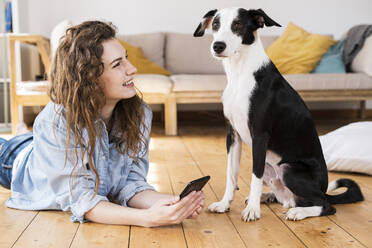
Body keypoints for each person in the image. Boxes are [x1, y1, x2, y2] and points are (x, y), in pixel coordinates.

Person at [0, 21, 205, 227]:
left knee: (40, 140)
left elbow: (131, 182)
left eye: (127, 58)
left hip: (49, 144)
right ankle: (23, 136)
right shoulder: (56, 120)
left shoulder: (140, 112)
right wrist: (146, 218)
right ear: (89, 78)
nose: (132, 69)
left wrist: (170, 203)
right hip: (18, 161)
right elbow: (81, 200)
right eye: (117, 64)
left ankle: (25, 133)